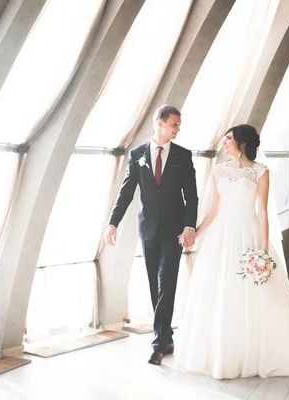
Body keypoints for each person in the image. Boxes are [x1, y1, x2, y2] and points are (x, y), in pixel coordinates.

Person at [174, 124, 289, 378]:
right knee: (220, 294)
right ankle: (222, 356)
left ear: (242, 143)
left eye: (229, 138)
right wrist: (195, 232)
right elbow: (216, 209)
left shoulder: (260, 172)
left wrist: (262, 249)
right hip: (221, 238)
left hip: (248, 234)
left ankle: (257, 354)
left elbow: (262, 211)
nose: (224, 142)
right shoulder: (219, 171)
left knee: (256, 296)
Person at [105, 104, 198, 365]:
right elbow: (126, 192)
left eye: (179, 125)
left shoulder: (183, 155)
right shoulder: (137, 155)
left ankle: (157, 344)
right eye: (174, 124)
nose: (178, 129)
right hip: (148, 230)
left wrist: (189, 226)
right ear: (160, 122)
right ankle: (166, 336)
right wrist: (113, 223)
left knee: (167, 283)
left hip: (175, 232)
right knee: (154, 286)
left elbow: (191, 196)